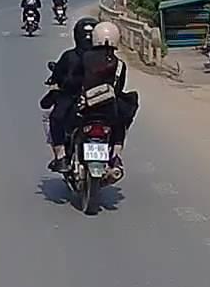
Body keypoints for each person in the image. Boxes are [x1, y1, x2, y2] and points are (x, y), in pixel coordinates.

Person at [40, 17, 98, 172]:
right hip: (102, 103)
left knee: (51, 117)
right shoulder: (109, 58)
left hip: (74, 101)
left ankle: (60, 156)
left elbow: (57, 76)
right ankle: (115, 156)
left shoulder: (69, 56)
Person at [80, 21, 139, 170]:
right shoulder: (119, 64)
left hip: (85, 108)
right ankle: (116, 155)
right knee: (121, 123)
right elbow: (119, 88)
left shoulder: (84, 58)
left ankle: (63, 155)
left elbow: (74, 81)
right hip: (109, 111)